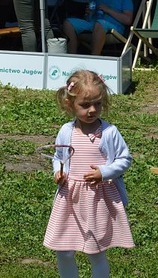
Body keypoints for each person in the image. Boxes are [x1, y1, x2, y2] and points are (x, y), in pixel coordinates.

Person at [44, 70, 134, 278]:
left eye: (97, 104)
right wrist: (58, 171)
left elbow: (124, 159)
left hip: (97, 199)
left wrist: (104, 172)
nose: (92, 110)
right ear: (70, 104)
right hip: (70, 199)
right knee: (64, 250)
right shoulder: (66, 131)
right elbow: (59, 157)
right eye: (85, 105)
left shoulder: (109, 132)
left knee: (96, 251)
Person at [62, 0, 134, 55]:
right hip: (94, 24)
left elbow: (128, 20)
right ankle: (72, 55)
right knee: (68, 23)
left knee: (99, 24)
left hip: (113, 29)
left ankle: (95, 57)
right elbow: (89, 18)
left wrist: (108, 10)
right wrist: (88, 13)